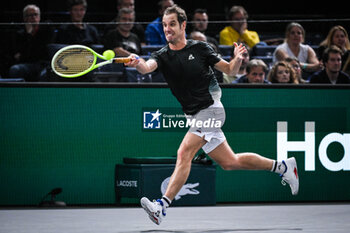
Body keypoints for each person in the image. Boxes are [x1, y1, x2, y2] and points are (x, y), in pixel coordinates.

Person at [125, 5, 299, 225]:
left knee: (184, 152)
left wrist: (237, 58)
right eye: (164, 25)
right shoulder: (162, 55)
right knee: (230, 162)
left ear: (183, 25)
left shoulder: (200, 48)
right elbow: (146, 67)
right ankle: (283, 167)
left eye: (172, 24)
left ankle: (161, 206)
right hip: (194, 115)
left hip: (212, 109)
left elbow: (230, 70)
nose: (167, 29)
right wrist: (137, 61)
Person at [8, 4, 55, 81]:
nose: (33, 17)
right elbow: (19, 56)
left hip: (44, 64)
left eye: (35, 14)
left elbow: (44, 51)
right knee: (15, 69)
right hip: (28, 64)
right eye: (29, 15)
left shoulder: (47, 28)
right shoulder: (20, 34)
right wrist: (28, 35)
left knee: (45, 74)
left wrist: (25, 53)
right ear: (25, 18)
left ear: (39, 17)